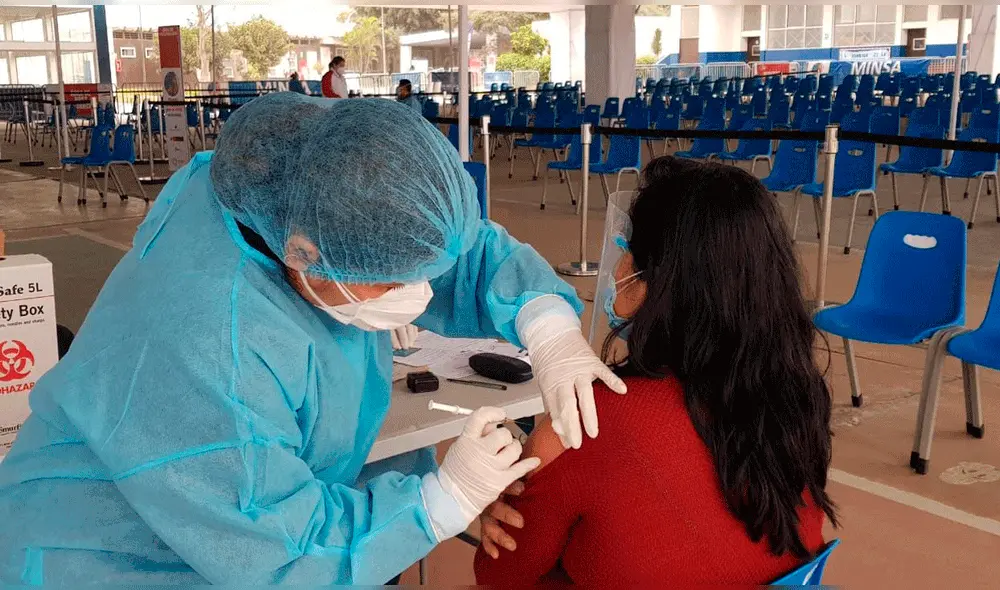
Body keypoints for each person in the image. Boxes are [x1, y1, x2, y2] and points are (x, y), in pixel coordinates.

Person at [0, 94, 625, 584]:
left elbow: (439, 242)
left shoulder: (293, 175)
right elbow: (276, 550)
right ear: (304, 257)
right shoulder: (211, 344)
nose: (423, 294)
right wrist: (438, 502)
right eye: (392, 284)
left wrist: (547, 326)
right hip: (119, 556)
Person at [474, 157, 837, 585]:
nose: (617, 266)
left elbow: (498, 574)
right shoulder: (795, 403)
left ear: (652, 277)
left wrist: (489, 500)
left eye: (626, 248)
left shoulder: (579, 427)